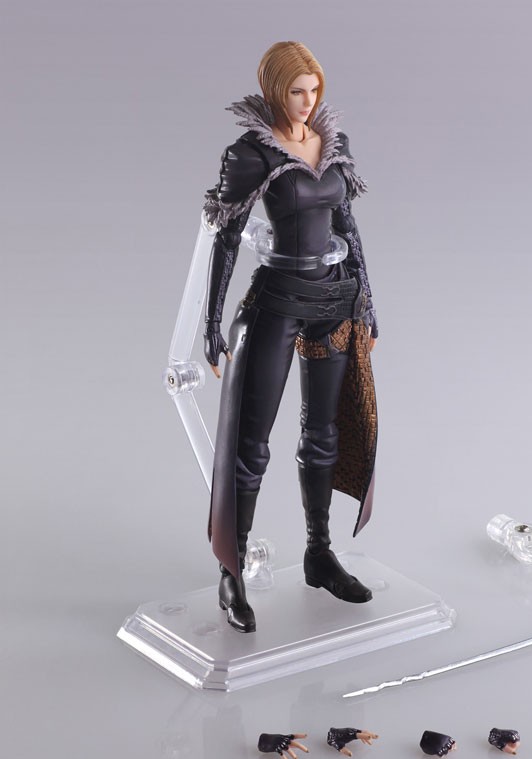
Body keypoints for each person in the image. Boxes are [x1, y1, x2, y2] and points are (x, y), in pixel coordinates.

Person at [202, 41, 378, 633]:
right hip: (277, 299)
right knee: (251, 445)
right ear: (276, 90)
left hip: (332, 300)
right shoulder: (251, 153)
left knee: (323, 435)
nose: (307, 102)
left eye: (314, 90)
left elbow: (348, 225)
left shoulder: (333, 144)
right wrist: (211, 323)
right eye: (296, 91)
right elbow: (226, 237)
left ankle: (319, 554)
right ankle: (231, 572)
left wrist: (366, 302)